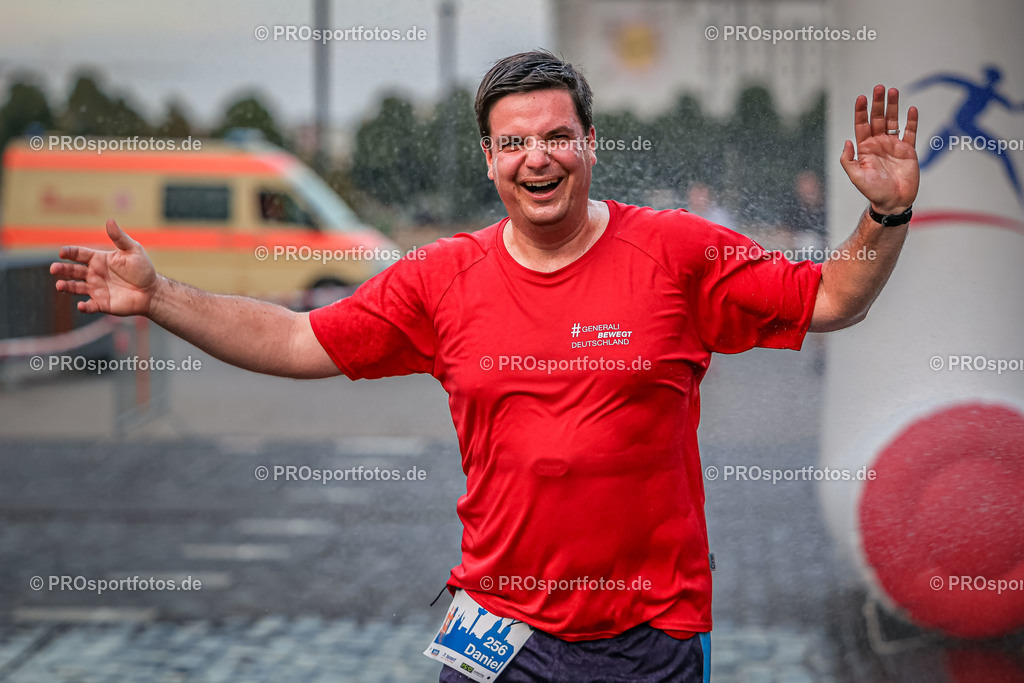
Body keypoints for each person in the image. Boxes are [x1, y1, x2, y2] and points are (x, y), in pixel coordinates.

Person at [50, 50, 919, 683]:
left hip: (648, 636)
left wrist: (885, 211)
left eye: (556, 137)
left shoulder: (678, 253)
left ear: (589, 144)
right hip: (498, 635)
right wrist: (162, 295)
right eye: (513, 144)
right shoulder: (441, 278)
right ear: (489, 159)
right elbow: (292, 340)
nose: (535, 157)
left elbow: (834, 297)